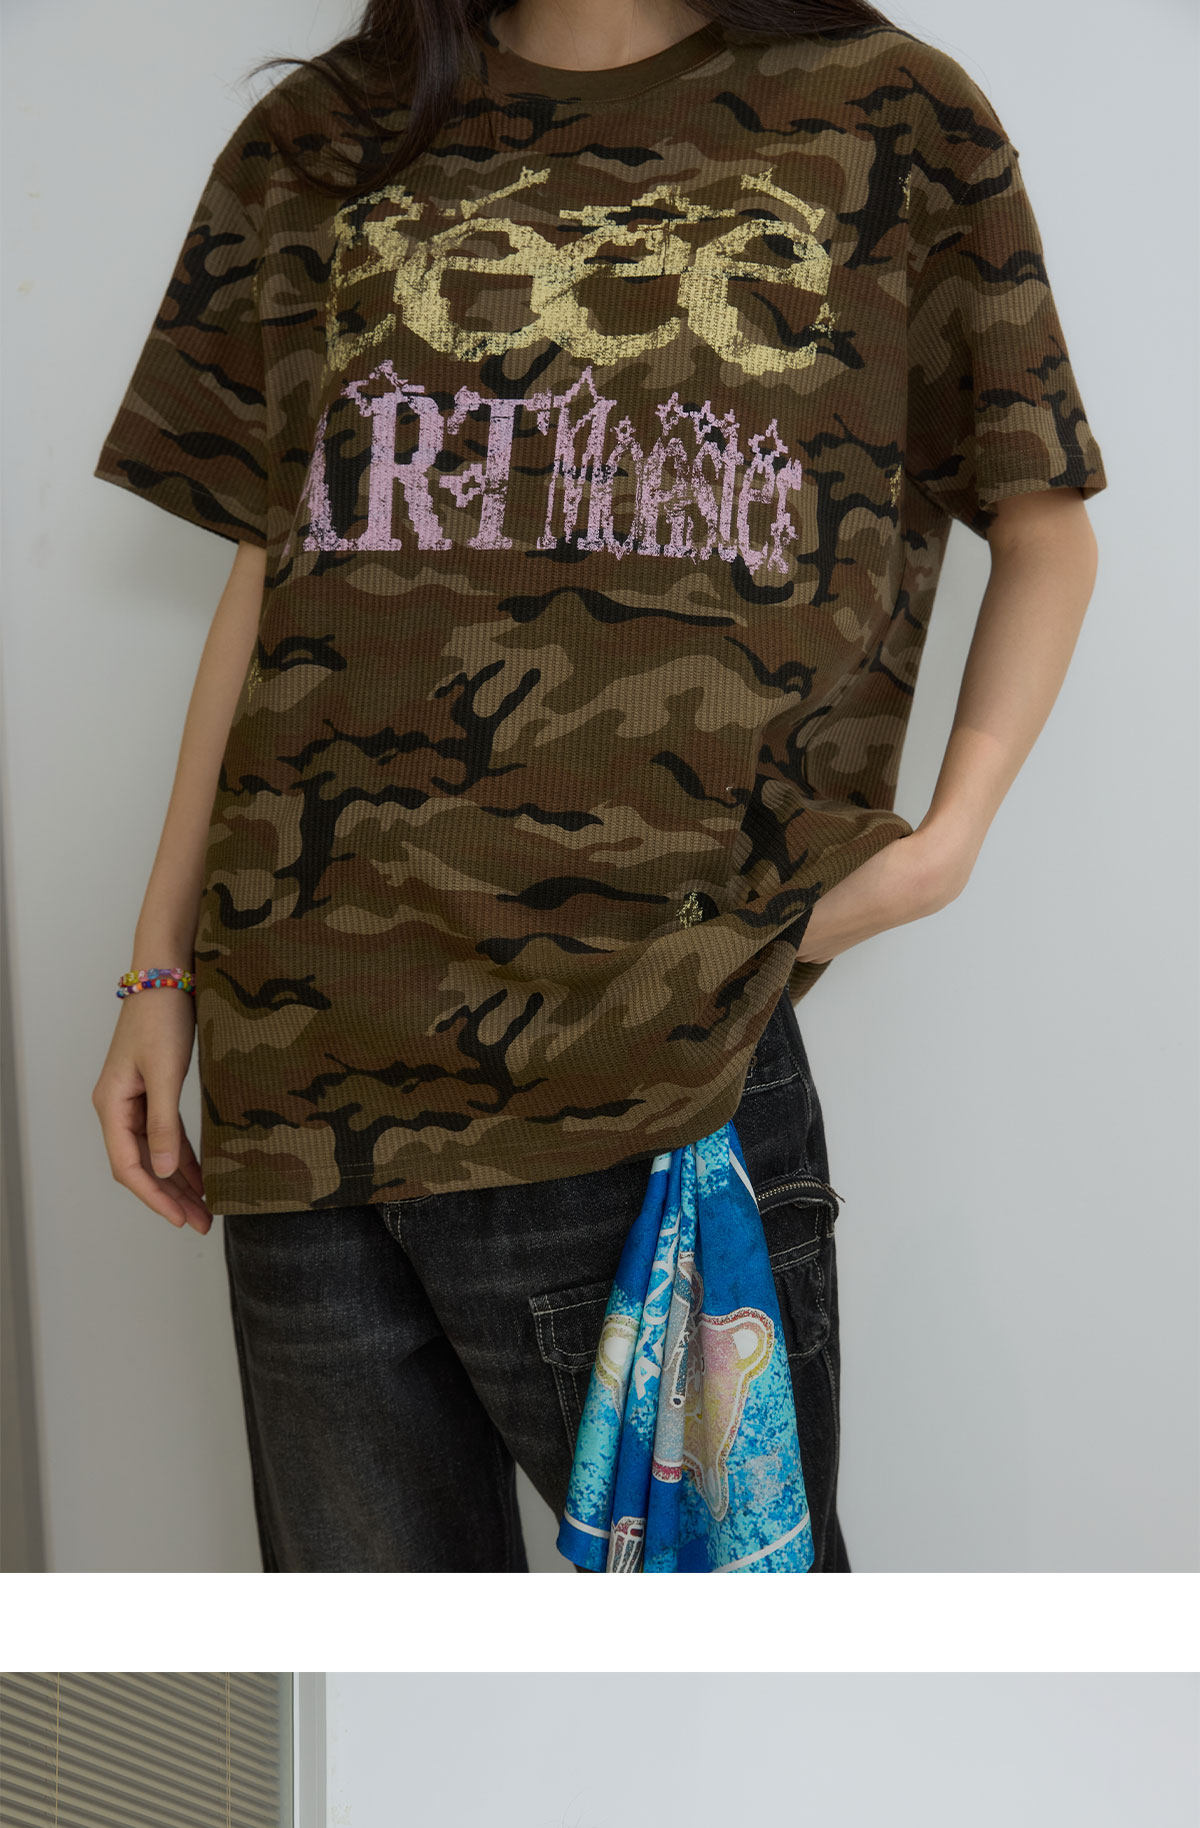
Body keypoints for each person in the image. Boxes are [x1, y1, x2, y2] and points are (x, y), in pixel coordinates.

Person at [90, 0, 1107, 1572]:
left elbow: (1043, 522)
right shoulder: (323, 138)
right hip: (301, 1072)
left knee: (732, 1682)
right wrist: (160, 968)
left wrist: (941, 850)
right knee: (384, 1691)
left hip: (655, 1060)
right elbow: (269, 574)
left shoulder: (889, 116)